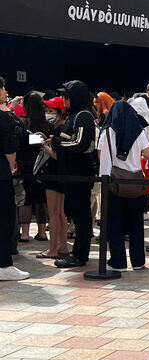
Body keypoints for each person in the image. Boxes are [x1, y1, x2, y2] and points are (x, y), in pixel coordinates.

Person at [97, 101, 149, 270]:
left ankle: (118, 261)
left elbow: (101, 155)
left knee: (114, 223)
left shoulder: (107, 131)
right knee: (136, 224)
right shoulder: (138, 131)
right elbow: (148, 154)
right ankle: (138, 261)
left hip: (114, 182)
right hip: (135, 182)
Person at [52, 81, 97, 269]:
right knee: (76, 213)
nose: (63, 99)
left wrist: (58, 143)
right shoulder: (74, 116)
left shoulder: (83, 116)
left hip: (79, 172)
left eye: (67, 96)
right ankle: (78, 253)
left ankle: (80, 254)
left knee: (81, 214)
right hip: (71, 172)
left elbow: (81, 143)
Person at [0, 76, 28, 281]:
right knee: (5, 218)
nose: (5, 92)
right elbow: (10, 146)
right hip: (1, 174)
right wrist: (11, 166)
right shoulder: (3, 117)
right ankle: (3, 264)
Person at [17, 91, 49, 244]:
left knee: (27, 199)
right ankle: (42, 232)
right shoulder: (46, 124)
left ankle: (24, 234)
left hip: (26, 165)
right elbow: (43, 142)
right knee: (41, 198)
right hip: (42, 166)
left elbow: (22, 142)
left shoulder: (23, 123)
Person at [39, 97, 68, 259]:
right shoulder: (65, 127)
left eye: (51, 111)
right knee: (61, 213)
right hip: (62, 175)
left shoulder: (58, 130)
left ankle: (52, 249)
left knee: (53, 213)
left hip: (53, 173)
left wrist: (43, 145)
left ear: (59, 112)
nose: (47, 114)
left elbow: (56, 155)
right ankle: (62, 246)